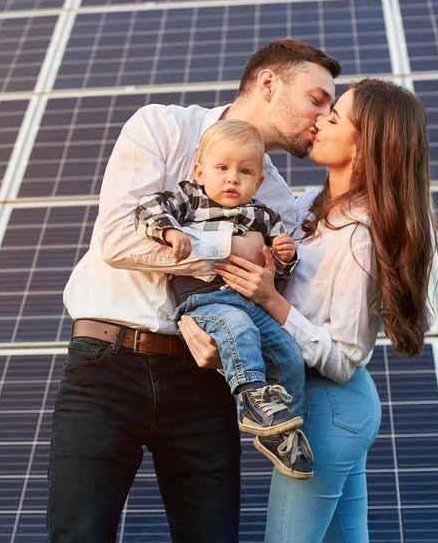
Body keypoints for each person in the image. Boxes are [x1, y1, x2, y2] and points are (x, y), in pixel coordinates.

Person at [48, 38, 339, 543]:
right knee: (79, 535)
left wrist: (264, 268)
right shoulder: (160, 127)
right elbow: (118, 240)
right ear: (269, 83)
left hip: (204, 380)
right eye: (318, 98)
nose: (324, 116)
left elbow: (268, 290)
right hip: (106, 364)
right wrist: (232, 246)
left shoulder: (279, 204)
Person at [180, 79, 437, 542]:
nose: (320, 120)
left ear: (361, 150)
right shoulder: (308, 209)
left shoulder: (358, 236)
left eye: (334, 117)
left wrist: (271, 300)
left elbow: (342, 358)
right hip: (326, 407)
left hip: (331, 407)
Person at [132, 118, 312, 479]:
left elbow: (277, 273)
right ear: (200, 171)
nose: (232, 178)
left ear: (258, 181)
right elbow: (147, 207)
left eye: (244, 171)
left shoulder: (263, 215)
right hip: (205, 303)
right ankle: (251, 400)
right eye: (222, 168)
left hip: (250, 300)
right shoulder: (190, 198)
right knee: (238, 328)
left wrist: (285, 256)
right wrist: (169, 231)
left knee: (289, 354)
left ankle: (283, 429)